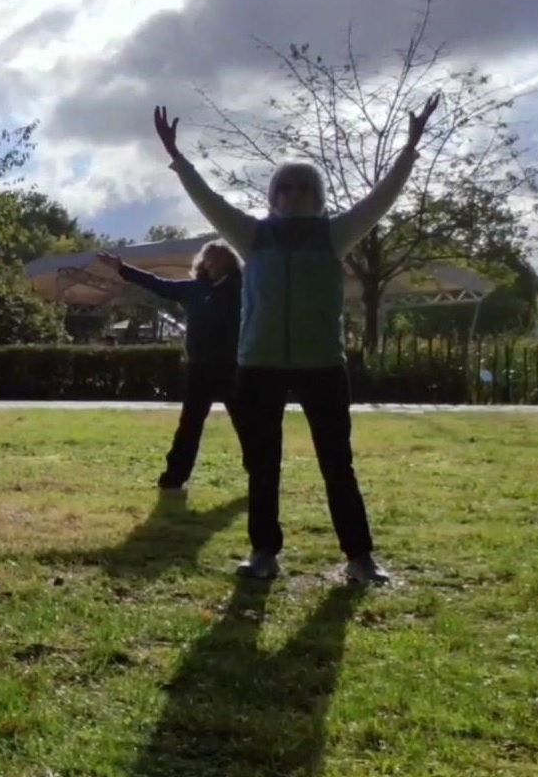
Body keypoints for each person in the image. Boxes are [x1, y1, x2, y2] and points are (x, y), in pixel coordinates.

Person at [152, 93, 440, 585]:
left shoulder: (336, 232)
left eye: (303, 187)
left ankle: (359, 558)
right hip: (259, 364)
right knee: (263, 464)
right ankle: (264, 551)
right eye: (284, 187)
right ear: (272, 195)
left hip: (322, 365)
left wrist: (410, 147)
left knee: (337, 463)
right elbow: (209, 200)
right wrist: (177, 159)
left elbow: (382, 198)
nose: (293, 194)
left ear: (317, 195)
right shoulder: (251, 235)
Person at [96, 240, 245, 492]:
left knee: (246, 423)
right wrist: (122, 269)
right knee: (190, 424)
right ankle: (174, 478)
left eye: (219, 258)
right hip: (200, 368)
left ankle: (260, 472)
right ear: (203, 263)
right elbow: (158, 285)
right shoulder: (195, 289)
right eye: (209, 258)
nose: (213, 263)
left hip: (233, 366)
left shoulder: (242, 289)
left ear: (229, 262)